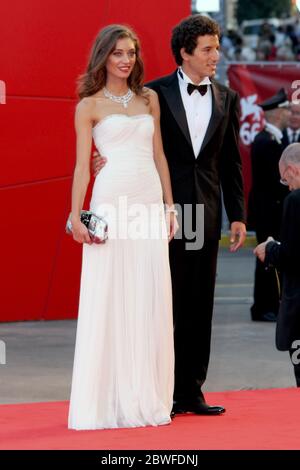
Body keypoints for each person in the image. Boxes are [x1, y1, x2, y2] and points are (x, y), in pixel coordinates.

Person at [93, 15, 246, 416]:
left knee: (198, 302)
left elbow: (231, 162)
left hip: (203, 213)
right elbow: (125, 135)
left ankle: (190, 391)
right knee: (162, 299)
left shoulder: (228, 97)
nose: (216, 56)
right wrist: (102, 160)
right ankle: (158, 389)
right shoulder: (152, 93)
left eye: (217, 48)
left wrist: (238, 215)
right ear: (185, 53)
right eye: (208, 49)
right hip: (158, 210)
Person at [68, 24, 178, 430]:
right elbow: (83, 165)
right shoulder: (89, 105)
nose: (125, 59)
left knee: (147, 294)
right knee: (111, 294)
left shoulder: (150, 98)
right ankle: (106, 400)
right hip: (112, 204)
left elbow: (160, 156)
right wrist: (75, 214)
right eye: (117, 53)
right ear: (103, 57)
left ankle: (143, 396)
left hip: (148, 203)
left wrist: (171, 207)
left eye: (130, 52)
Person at [254, 143, 300, 387]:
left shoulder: (295, 200)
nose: (287, 186)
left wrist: (270, 249)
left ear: (292, 170)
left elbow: (292, 256)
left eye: (285, 180)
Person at [248, 89, 290, 322]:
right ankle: (263, 306)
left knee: (271, 258)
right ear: (276, 114)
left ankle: (270, 304)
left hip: (272, 210)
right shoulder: (266, 141)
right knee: (266, 258)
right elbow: (274, 182)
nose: (288, 115)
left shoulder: (275, 139)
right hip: (268, 211)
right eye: (285, 110)